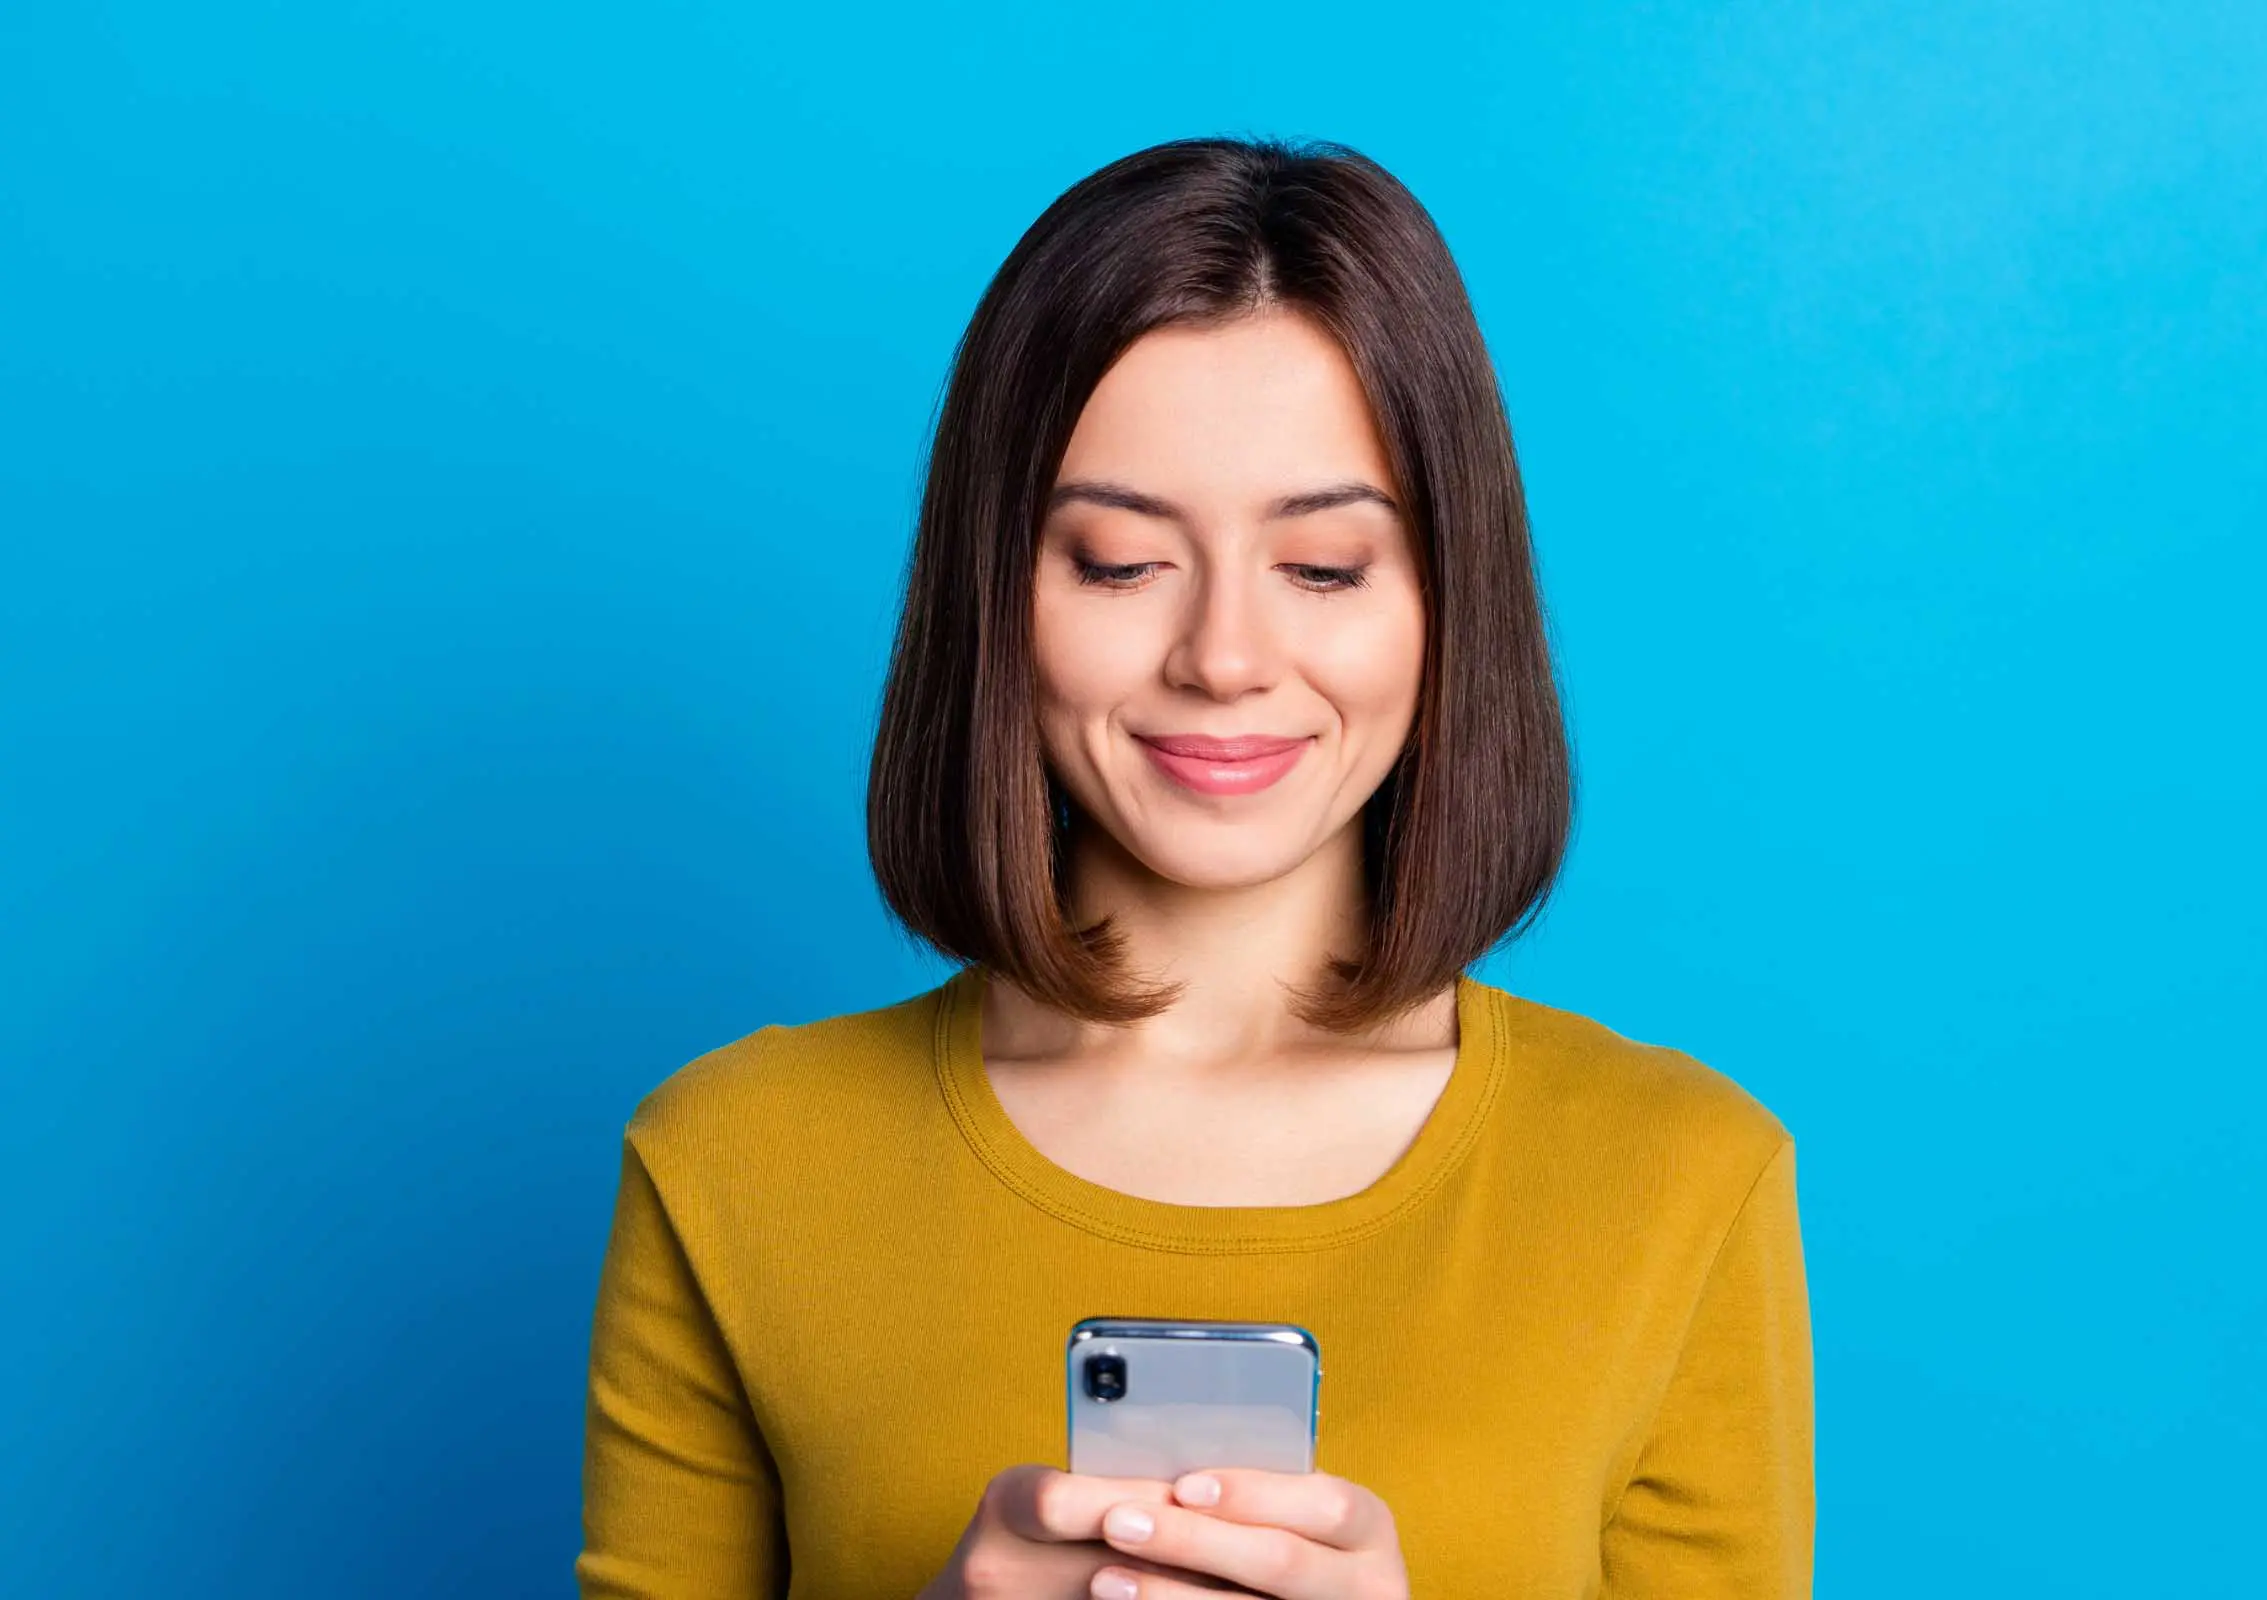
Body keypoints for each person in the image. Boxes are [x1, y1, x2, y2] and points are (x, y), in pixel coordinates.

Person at [577, 135, 1813, 1600]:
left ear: (1445, 602)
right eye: (1115, 560)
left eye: (1326, 567)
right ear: (999, 596)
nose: (1224, 658)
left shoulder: (1677, 1180)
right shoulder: (735, 1163)